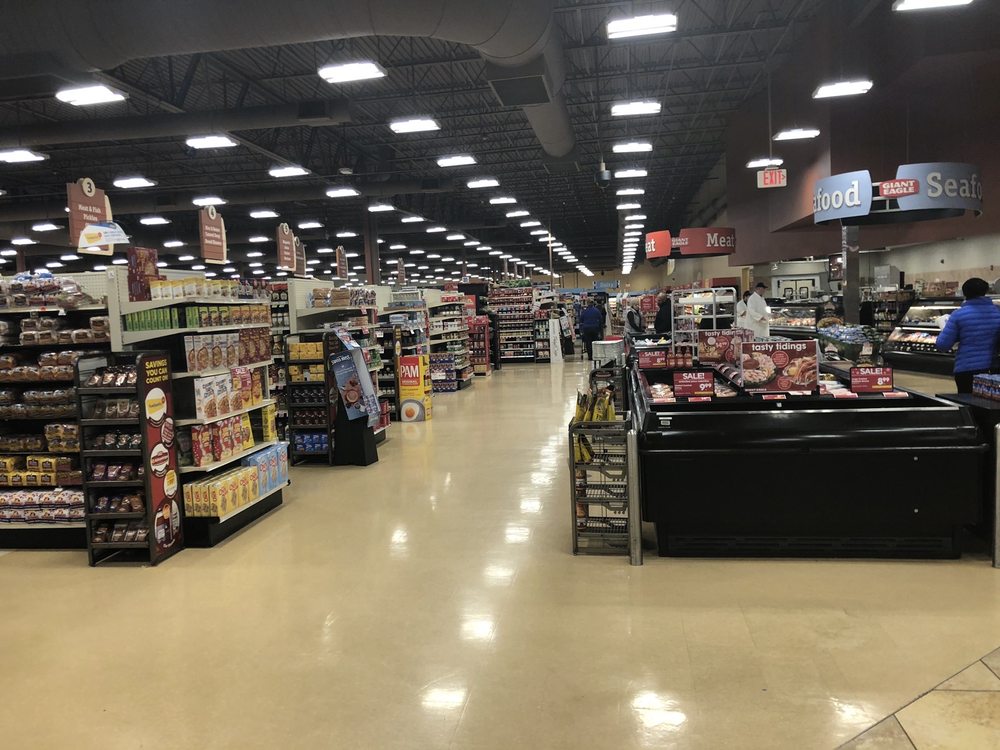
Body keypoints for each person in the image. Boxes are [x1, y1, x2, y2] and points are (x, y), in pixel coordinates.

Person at [935, 277, 1000, 393]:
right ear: (985, 291)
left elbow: (942, 345)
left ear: (965, 293)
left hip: (966, 369)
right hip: (993, 369)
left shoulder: (958, 315)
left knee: (967, 401)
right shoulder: (998, 312)